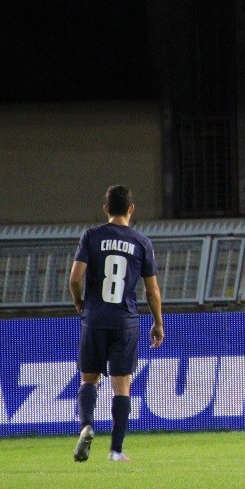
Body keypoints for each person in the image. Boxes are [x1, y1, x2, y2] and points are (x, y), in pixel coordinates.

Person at [69, 185, 164, 463]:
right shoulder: (141, 242)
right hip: (125, 321)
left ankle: (87, 425)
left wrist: (79, 302)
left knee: (89, 378)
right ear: (131, 209)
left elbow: (75, 278)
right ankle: (116, 450)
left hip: (95, 318)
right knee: (122, 384)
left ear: (105, 209)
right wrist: (158, 322)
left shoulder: (91, 236)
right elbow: (152, 290)